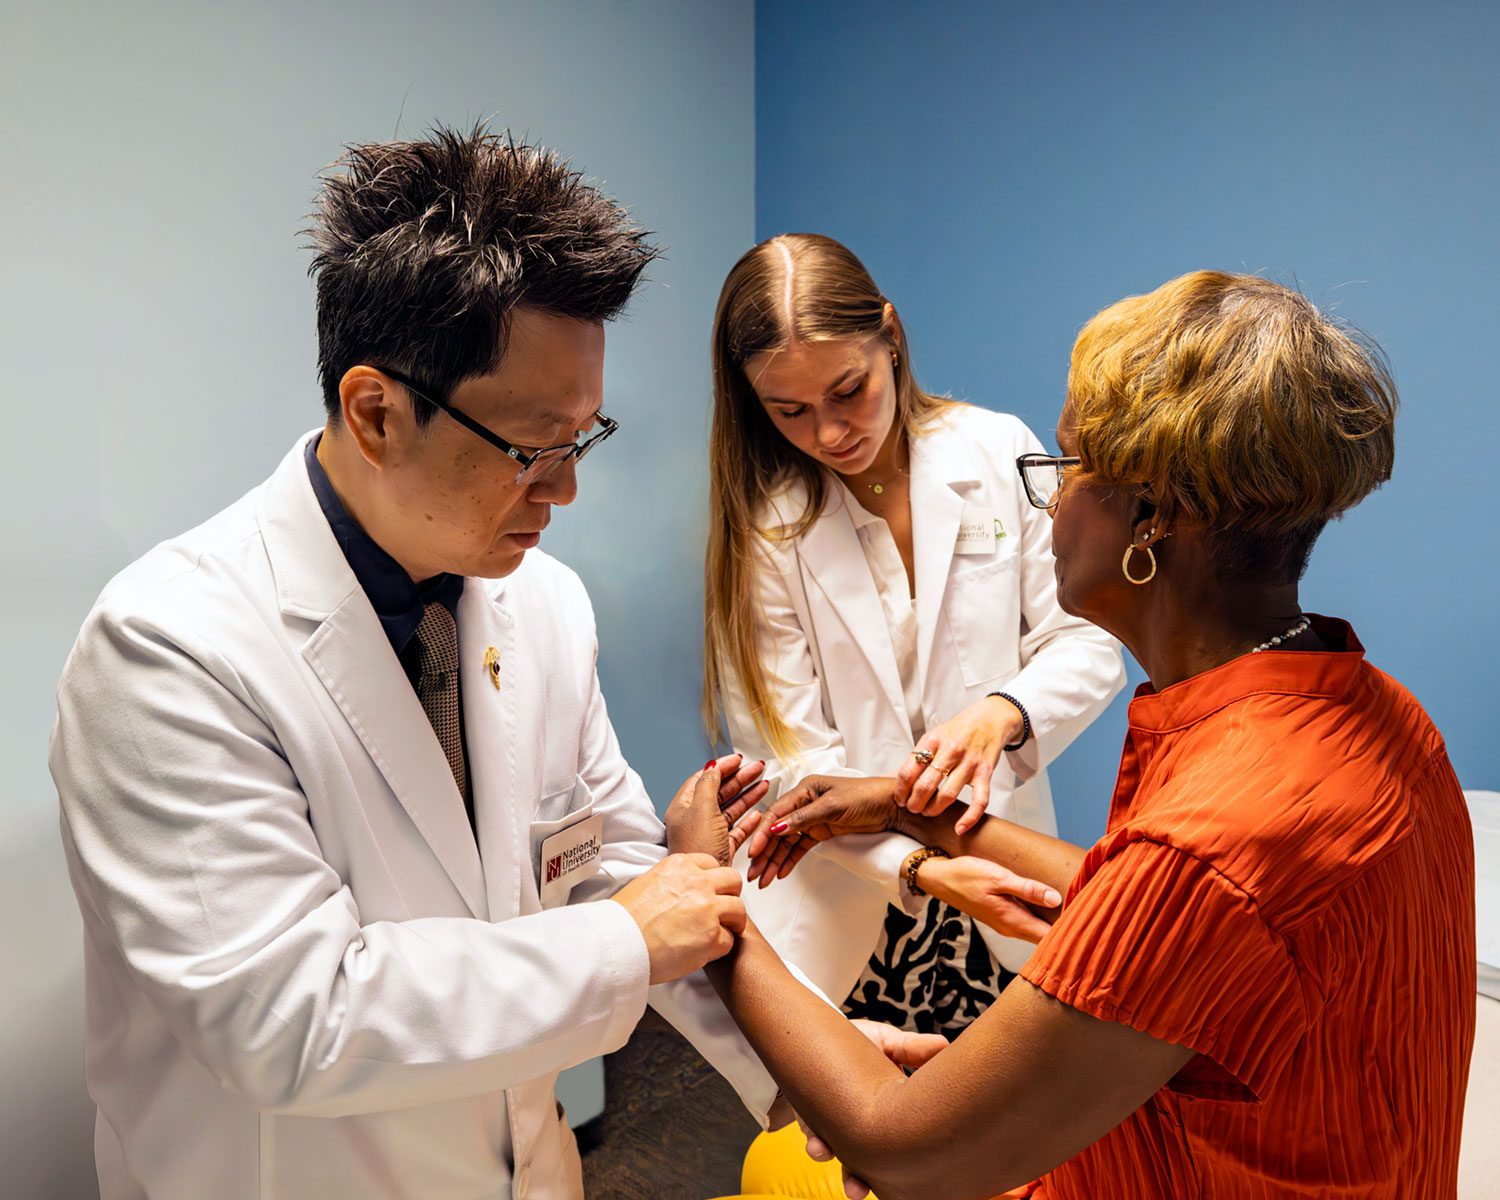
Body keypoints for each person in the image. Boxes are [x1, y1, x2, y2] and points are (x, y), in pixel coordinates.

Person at [50, 126, 789, 1200]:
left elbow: (621, 866)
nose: (565, 492)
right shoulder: (169, 649)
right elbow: (292, 1020)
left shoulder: (541, 603)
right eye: (533, 449)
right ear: (375, 410)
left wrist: (792, 1078)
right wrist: (623, 941)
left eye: (582, 440)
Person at [677, 270, 1478, 1197]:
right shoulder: (1377, 714)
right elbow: (1141, 896)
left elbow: (904, 1147)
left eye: (1067, 470)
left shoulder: (1208, 850)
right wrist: (907, 808)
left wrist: (712, 909)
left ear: (1151, 519)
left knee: (781, 1171)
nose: (1049, 506)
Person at [703, 233, 1125, 1036]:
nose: (828, 433)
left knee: (1014, 1134)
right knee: (866, 1138)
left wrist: (999, 713)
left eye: (847, 390)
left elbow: (1089, 639)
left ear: (890, 338)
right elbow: (796, 761)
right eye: (789, 411)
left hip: (999, 859)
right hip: (853, 893)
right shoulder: (764, 529)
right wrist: (920, 862)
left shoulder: (997, 451)